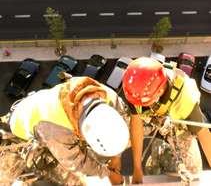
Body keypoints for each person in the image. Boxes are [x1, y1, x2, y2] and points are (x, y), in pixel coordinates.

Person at [0, 75, 130, 186]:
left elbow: (122, 120)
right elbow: (75, 162)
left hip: (47, 127)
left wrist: (116, 157)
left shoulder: (107, 97)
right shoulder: (59, 128)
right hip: (20, 135)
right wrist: (107, 173)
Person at [122, 57, 211, 184]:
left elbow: (204, 135)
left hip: (177, 126)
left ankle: (160, 152)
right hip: (151, 120)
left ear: (160, 91)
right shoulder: (137, 89)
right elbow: (136, 123)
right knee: (117, 139)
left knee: (193, 172)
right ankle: (153, 159)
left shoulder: (185, 99)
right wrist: (137, 169)